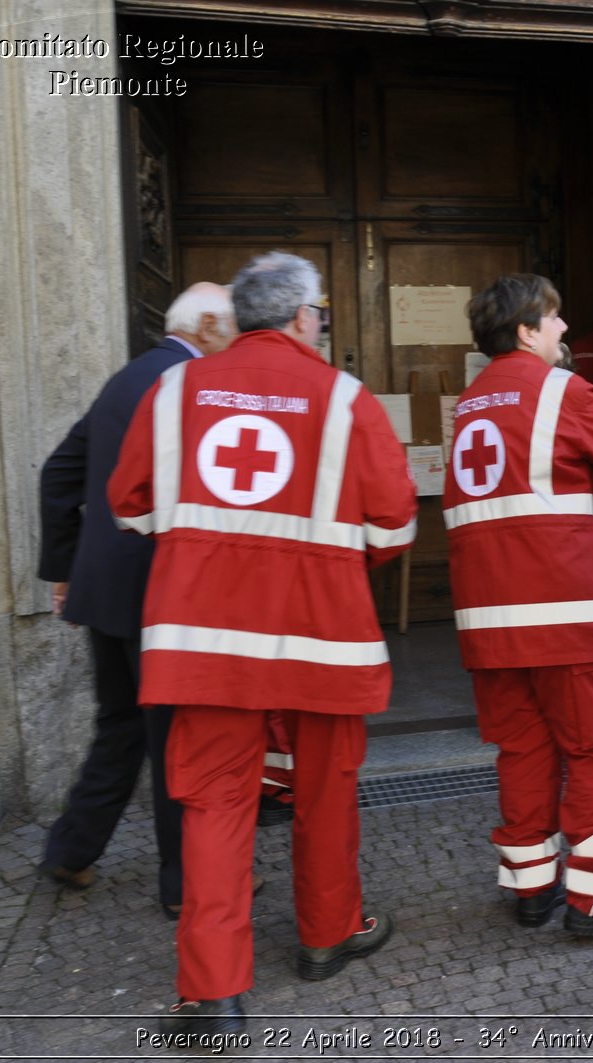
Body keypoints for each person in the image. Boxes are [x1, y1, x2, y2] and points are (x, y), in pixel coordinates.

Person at [108, 251, 417, 1034]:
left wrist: (201, 546)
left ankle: (212, 991)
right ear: (303, 315)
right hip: (323, 632)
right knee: (324, 787)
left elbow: (130, 508)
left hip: (202, 636)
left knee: (213, 801)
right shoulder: (344, 396)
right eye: (320, 314)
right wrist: (330, 558)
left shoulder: (174, 389)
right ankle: (327, 931)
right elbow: (394, 523)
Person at [443, 274, 593, 939]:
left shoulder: (470, 406)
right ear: (525, 330)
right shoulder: (565, 394)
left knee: (522, 748)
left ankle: (531, 886)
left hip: (489, 622)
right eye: (555, 319)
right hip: (569, 613)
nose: (565, 329)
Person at [36, 282, 235, 916]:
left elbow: (58, 474)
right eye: (233, 324)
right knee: (181, 739)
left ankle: (71, 849)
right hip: (164, 595)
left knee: (121, 727)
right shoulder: (194, 385)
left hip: (105, 591)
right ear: (207, 325)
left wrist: (66, 567)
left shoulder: (127, 378)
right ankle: (187, 886)